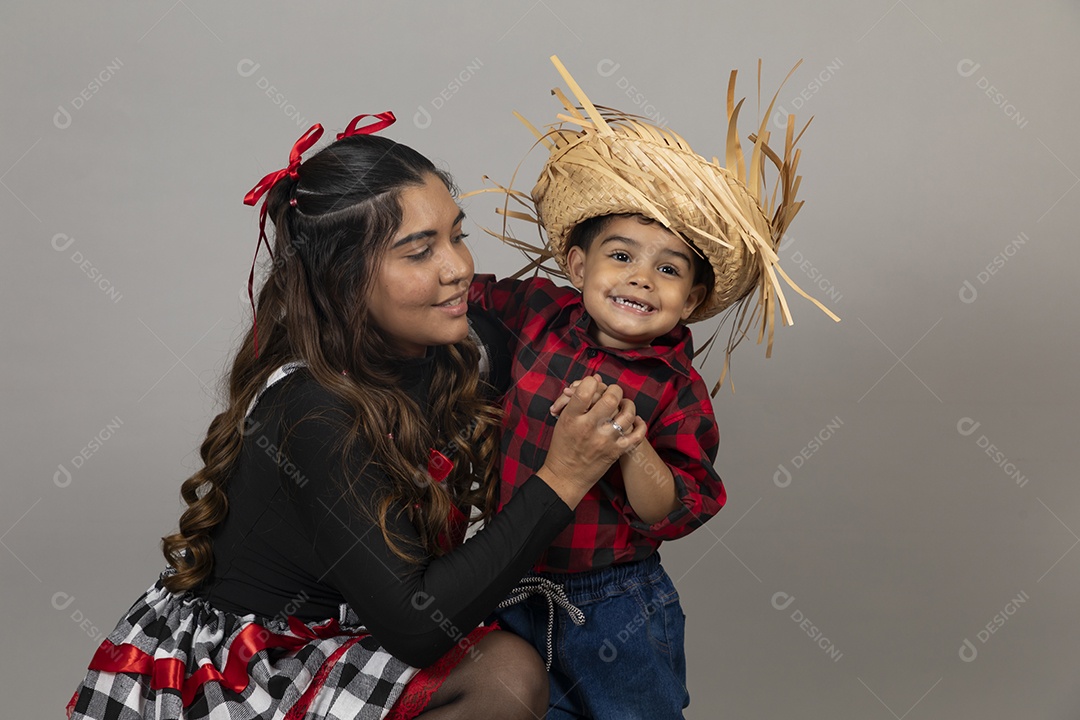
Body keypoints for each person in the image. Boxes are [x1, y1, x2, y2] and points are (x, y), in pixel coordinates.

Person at [64, 112, 648, 720]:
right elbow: (419, 629)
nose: (458, 268)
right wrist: (565, 477)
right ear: (343, 279)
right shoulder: (313, 407)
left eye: (458, 235)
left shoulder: (465, 348)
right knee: (506, 673)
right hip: (252, 668)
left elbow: (588, 336)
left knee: (523, 649)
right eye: (419, 252)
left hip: (351, 627)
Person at [467, 57, 838, 719]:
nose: (641, 278)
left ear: (692, 298)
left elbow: (670, 509)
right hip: (509, 583)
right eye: (621, 256)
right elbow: (461, 302)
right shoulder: (538, 314)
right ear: (578, 265)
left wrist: (631, 445)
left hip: (614, 605)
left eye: (668, 269)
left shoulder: (676, 389)